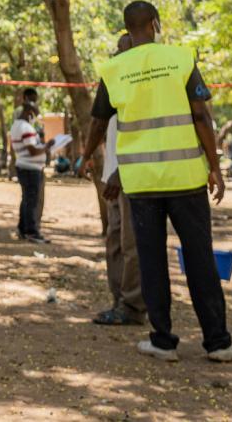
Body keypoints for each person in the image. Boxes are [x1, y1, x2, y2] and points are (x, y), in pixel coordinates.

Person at [83, 1, 232, 363]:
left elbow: (97, 121)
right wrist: (214, 166)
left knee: (152, 260)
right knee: (200, 257)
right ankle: (218, 343)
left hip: (142, 184)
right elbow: (201, 115)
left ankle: (163, 342)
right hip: (185, 178)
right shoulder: (181, 59)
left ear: (126, 29)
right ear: (155, 23)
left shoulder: (114, 69)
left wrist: (84, 155)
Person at [89, 34, 146, 327]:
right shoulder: (114, 82)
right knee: (114, 241)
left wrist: (119, 172)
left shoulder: (143, 86)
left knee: (131, 244)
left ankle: (133, 305)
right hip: (112, 175)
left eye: (124, 50)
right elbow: (103, 125)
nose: (118, 55)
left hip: (129, 176)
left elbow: (140, 136)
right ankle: (119, 301)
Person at [9, 92, 50, 244]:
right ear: (29, 112)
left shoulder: (16, 125)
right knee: (31, 201)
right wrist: (47, 147)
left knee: (26, 199)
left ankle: (23, 229)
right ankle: (31, 231)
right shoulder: (25, 128)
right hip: (30, 167)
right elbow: (32, 150)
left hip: (24, 166)